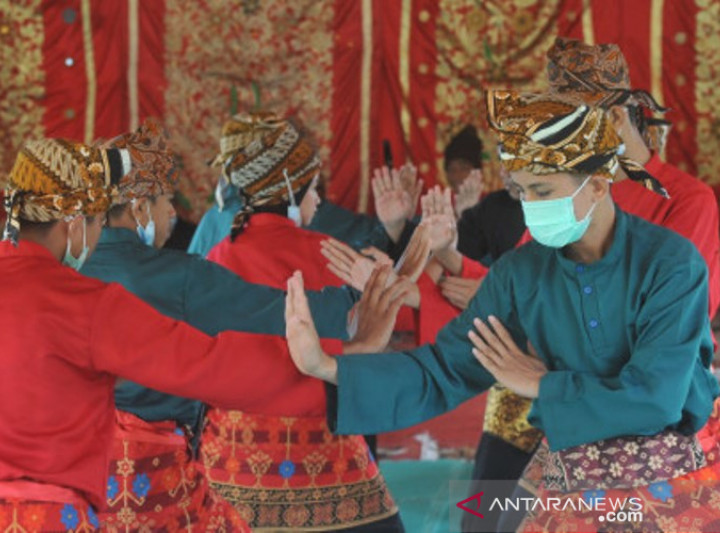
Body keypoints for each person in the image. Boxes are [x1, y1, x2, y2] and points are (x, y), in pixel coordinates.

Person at [284, 90, 720, 533]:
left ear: (600, 184)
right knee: (495, 521)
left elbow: (657, 397)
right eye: (524, 190)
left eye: (544, 190)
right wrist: (332, 367)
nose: (531, 206)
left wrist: (542, 384)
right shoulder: (522, 271)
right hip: (578, 446)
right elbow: (445, 369)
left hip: (673, 456)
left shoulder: (670, 263)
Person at [0, 138, 354, 532]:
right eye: (93, 225)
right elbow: (209, 365)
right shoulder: (87, 302)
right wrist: (335, 371)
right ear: (72, 223)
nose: (92, 241)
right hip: (48, 520)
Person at [460, 38, 720, 533]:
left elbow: (671, 325)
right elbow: (522, 281)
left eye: (571, 124)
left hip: (630, 407)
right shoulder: (562, 196)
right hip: (532, 391)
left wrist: (549, 372)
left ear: (617, 121)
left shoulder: (684, 201)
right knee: (486, 519)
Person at [81, 120, 386, 530]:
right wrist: (363, 294)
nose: (172, 212)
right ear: (138, 209)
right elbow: (276, 311)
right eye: (165, 201)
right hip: (151, 476)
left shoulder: (63, 270)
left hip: (75, 474)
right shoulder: (178, 277)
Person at [203, 117, 411, 532]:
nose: (317, 199)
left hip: (231, 456)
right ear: (291, 189)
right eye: (314, 188)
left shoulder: (218, 256)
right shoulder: (327, 252)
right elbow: (379, 326)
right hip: (320, 442)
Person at [188, 111, 420, 259]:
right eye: (311, 184)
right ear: (292, 183)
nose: (316, 196)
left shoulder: (218, 231)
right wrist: (395, 228)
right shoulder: (308, 245)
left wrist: (394, 225)